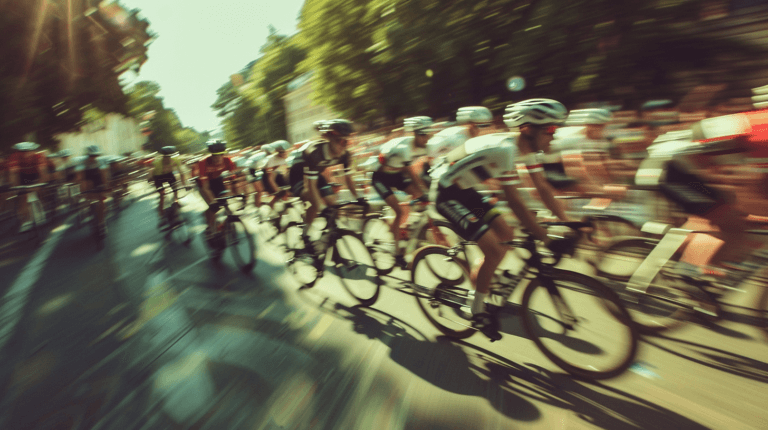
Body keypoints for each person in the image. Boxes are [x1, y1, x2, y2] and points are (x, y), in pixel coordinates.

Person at [429, 99, 576, 340]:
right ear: (528, 129)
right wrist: (547, 240)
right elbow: (516, 202)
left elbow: (543, 188)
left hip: (465, 192)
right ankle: (476, 309)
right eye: (550, 129)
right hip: (445, 194)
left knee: (507, 236)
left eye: (556, 129)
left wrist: (570, 224)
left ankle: (480, 277)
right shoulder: (506, 150)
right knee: (495, 250)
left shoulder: (526, 149)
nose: (554, 135)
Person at [288, 119, 364, 247]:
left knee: (332, 204)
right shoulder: (315, 153)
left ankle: (332, 233)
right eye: (341, 141)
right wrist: (321, 208)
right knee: (315, 202)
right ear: (329, 139)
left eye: (347, 141)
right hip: (298, 174)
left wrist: (359, 197)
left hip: (315, 174)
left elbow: (348, 179)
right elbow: (311, 186)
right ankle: (305, 234)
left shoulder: (344, 155)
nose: (344, 146)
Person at [372, 116, 434, 268]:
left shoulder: (424, 145)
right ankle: (397, 250)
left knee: (423, 198)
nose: (426, 138)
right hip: (381, 178)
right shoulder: (404, 148)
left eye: (428, 134)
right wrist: (424, 190)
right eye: (422, 134)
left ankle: (404, 226)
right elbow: (412, 175)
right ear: (414, 134)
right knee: (399, 211)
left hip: (397, 175)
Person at [198, 140, 238, 239]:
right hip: (205, 185)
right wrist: (213, 201)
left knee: (224, 203)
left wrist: (238, 195)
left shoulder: (227, 160)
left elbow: (233, 180)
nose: (218, 158)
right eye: (215, 155)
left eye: (220, 155)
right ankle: (210, 228)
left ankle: (224, 223)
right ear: (211, 154)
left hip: (218, 182)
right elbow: (205, 187)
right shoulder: (203, 162)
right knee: (214, 206)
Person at [6, 142, 47, 232]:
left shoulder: (38, 156)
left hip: (34, 174)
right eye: (23, 151)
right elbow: (14, 175)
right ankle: (25, 220)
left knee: (39, 190)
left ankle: (42, 207)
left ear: (33, 151)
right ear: (18, 152)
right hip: (21, 176)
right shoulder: (14, 157)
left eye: (29, 151)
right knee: (22, 197)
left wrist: (40, 185)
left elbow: (42, 173)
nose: (26, 153)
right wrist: (16, 188)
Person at [75, 145, 110, 235]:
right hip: (87, 179)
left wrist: (105, 186)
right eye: (91, 156)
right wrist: (83, 191)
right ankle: (89, 209)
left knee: (102, 201)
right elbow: (80, 177)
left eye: (95, 155)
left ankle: (102, 223)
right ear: (88, 155)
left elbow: (103, 175)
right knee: (86, 185)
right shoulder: (82, 162)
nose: (93, 157)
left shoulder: (100, 161)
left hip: (97, 179)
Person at [150, 146, 187, 227]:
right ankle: (161, 215)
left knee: (175, 189)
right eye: (167, 157)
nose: (169, 159)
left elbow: (182, 172)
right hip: (158, 177)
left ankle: (176, 203)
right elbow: (151, 174)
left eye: (170, 157)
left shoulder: (176, 160)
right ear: (163, 157)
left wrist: (184, 184)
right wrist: (150, 179)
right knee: (162, 195)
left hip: (169, 175)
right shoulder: (157, 163)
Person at [262, 140, 292, 212]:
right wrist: (278, 191)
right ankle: (270, 211)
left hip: (276, 179)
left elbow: (285, 175)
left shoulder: (282, 160)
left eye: (286, 151)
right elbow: (270, 179)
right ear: (278, 152)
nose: (286, 153)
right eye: (282, 152)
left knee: (285, 195)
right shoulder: (274, 160)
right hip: (269, 180)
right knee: (280, 195)